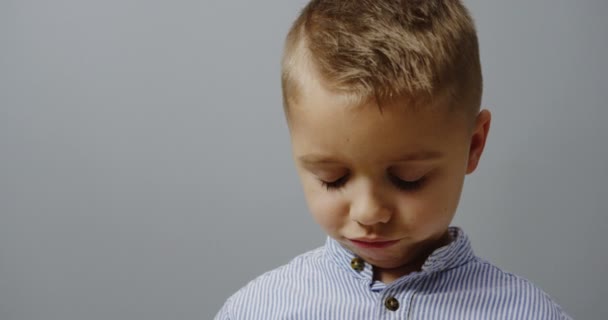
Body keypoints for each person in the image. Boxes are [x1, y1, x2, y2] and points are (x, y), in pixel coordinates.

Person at [215, 0, 571, 318]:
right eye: (333, 178)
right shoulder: (258, 308)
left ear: (474, 145)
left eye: (408, 178)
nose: (368, 213)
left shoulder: (528, 312)